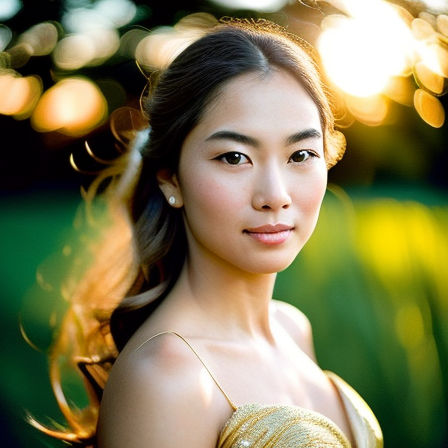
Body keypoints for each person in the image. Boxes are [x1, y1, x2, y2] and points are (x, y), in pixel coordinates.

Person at [33, 17, 383, 448]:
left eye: (301, 154)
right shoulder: (165, 376)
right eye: (235, 157)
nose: (275, 195)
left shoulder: (293, 327)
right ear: (171, 179)